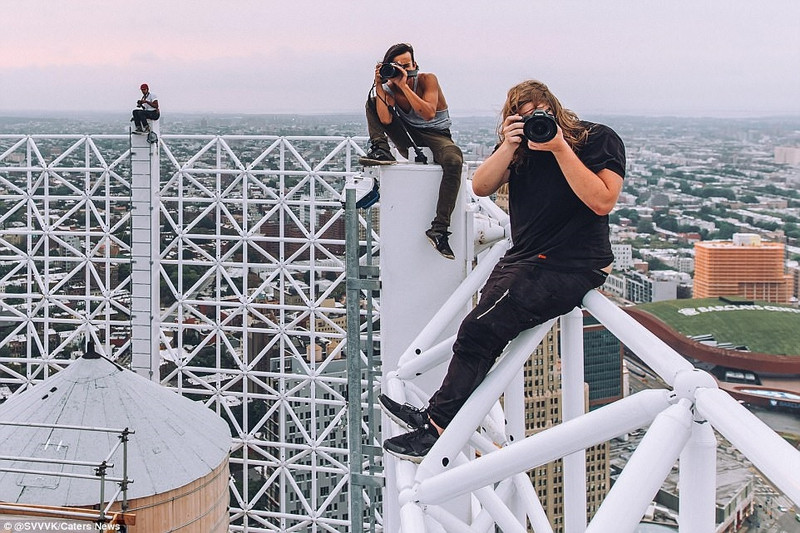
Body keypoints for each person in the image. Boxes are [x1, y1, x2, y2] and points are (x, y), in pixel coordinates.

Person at [380, 80, 626, 462]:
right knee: (481, 333)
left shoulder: (595, 139)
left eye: (541, 114)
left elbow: (603, 200)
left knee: (478, 330)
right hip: (524, 259)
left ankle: (436, 430)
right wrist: (510, 145)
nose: (536, 122)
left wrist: (559, 147)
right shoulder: (520, 147)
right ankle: (436, 415)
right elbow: (480, 186)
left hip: (569, 265)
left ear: (555, 108)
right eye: (523, 118)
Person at [360, 43, 463, 259]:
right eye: (396, 66)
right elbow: (385, 119)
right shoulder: (389, 90)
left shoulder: (427, 80)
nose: (401, 70)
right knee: (373, 102)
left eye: (405, 66)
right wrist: (379, 85)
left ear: (415, 65)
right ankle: (381, 149)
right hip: (408, 138)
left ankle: (439, 228)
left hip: (437, 136)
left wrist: (404, 86)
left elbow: (428, 113)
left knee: (454, 161)